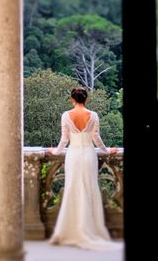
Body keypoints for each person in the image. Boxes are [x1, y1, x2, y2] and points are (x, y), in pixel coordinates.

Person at [46, 87, 123, 250]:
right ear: (85, 99)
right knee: (89, 189)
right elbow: (96, 139)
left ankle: (72, 229)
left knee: (73, 189)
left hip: (73, 156)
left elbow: (64, 140)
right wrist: (107, 150)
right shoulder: (93, 115)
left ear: (72, 99)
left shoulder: (66, 116)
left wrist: (54, 151)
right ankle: (90, 228)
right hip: (88, 155)